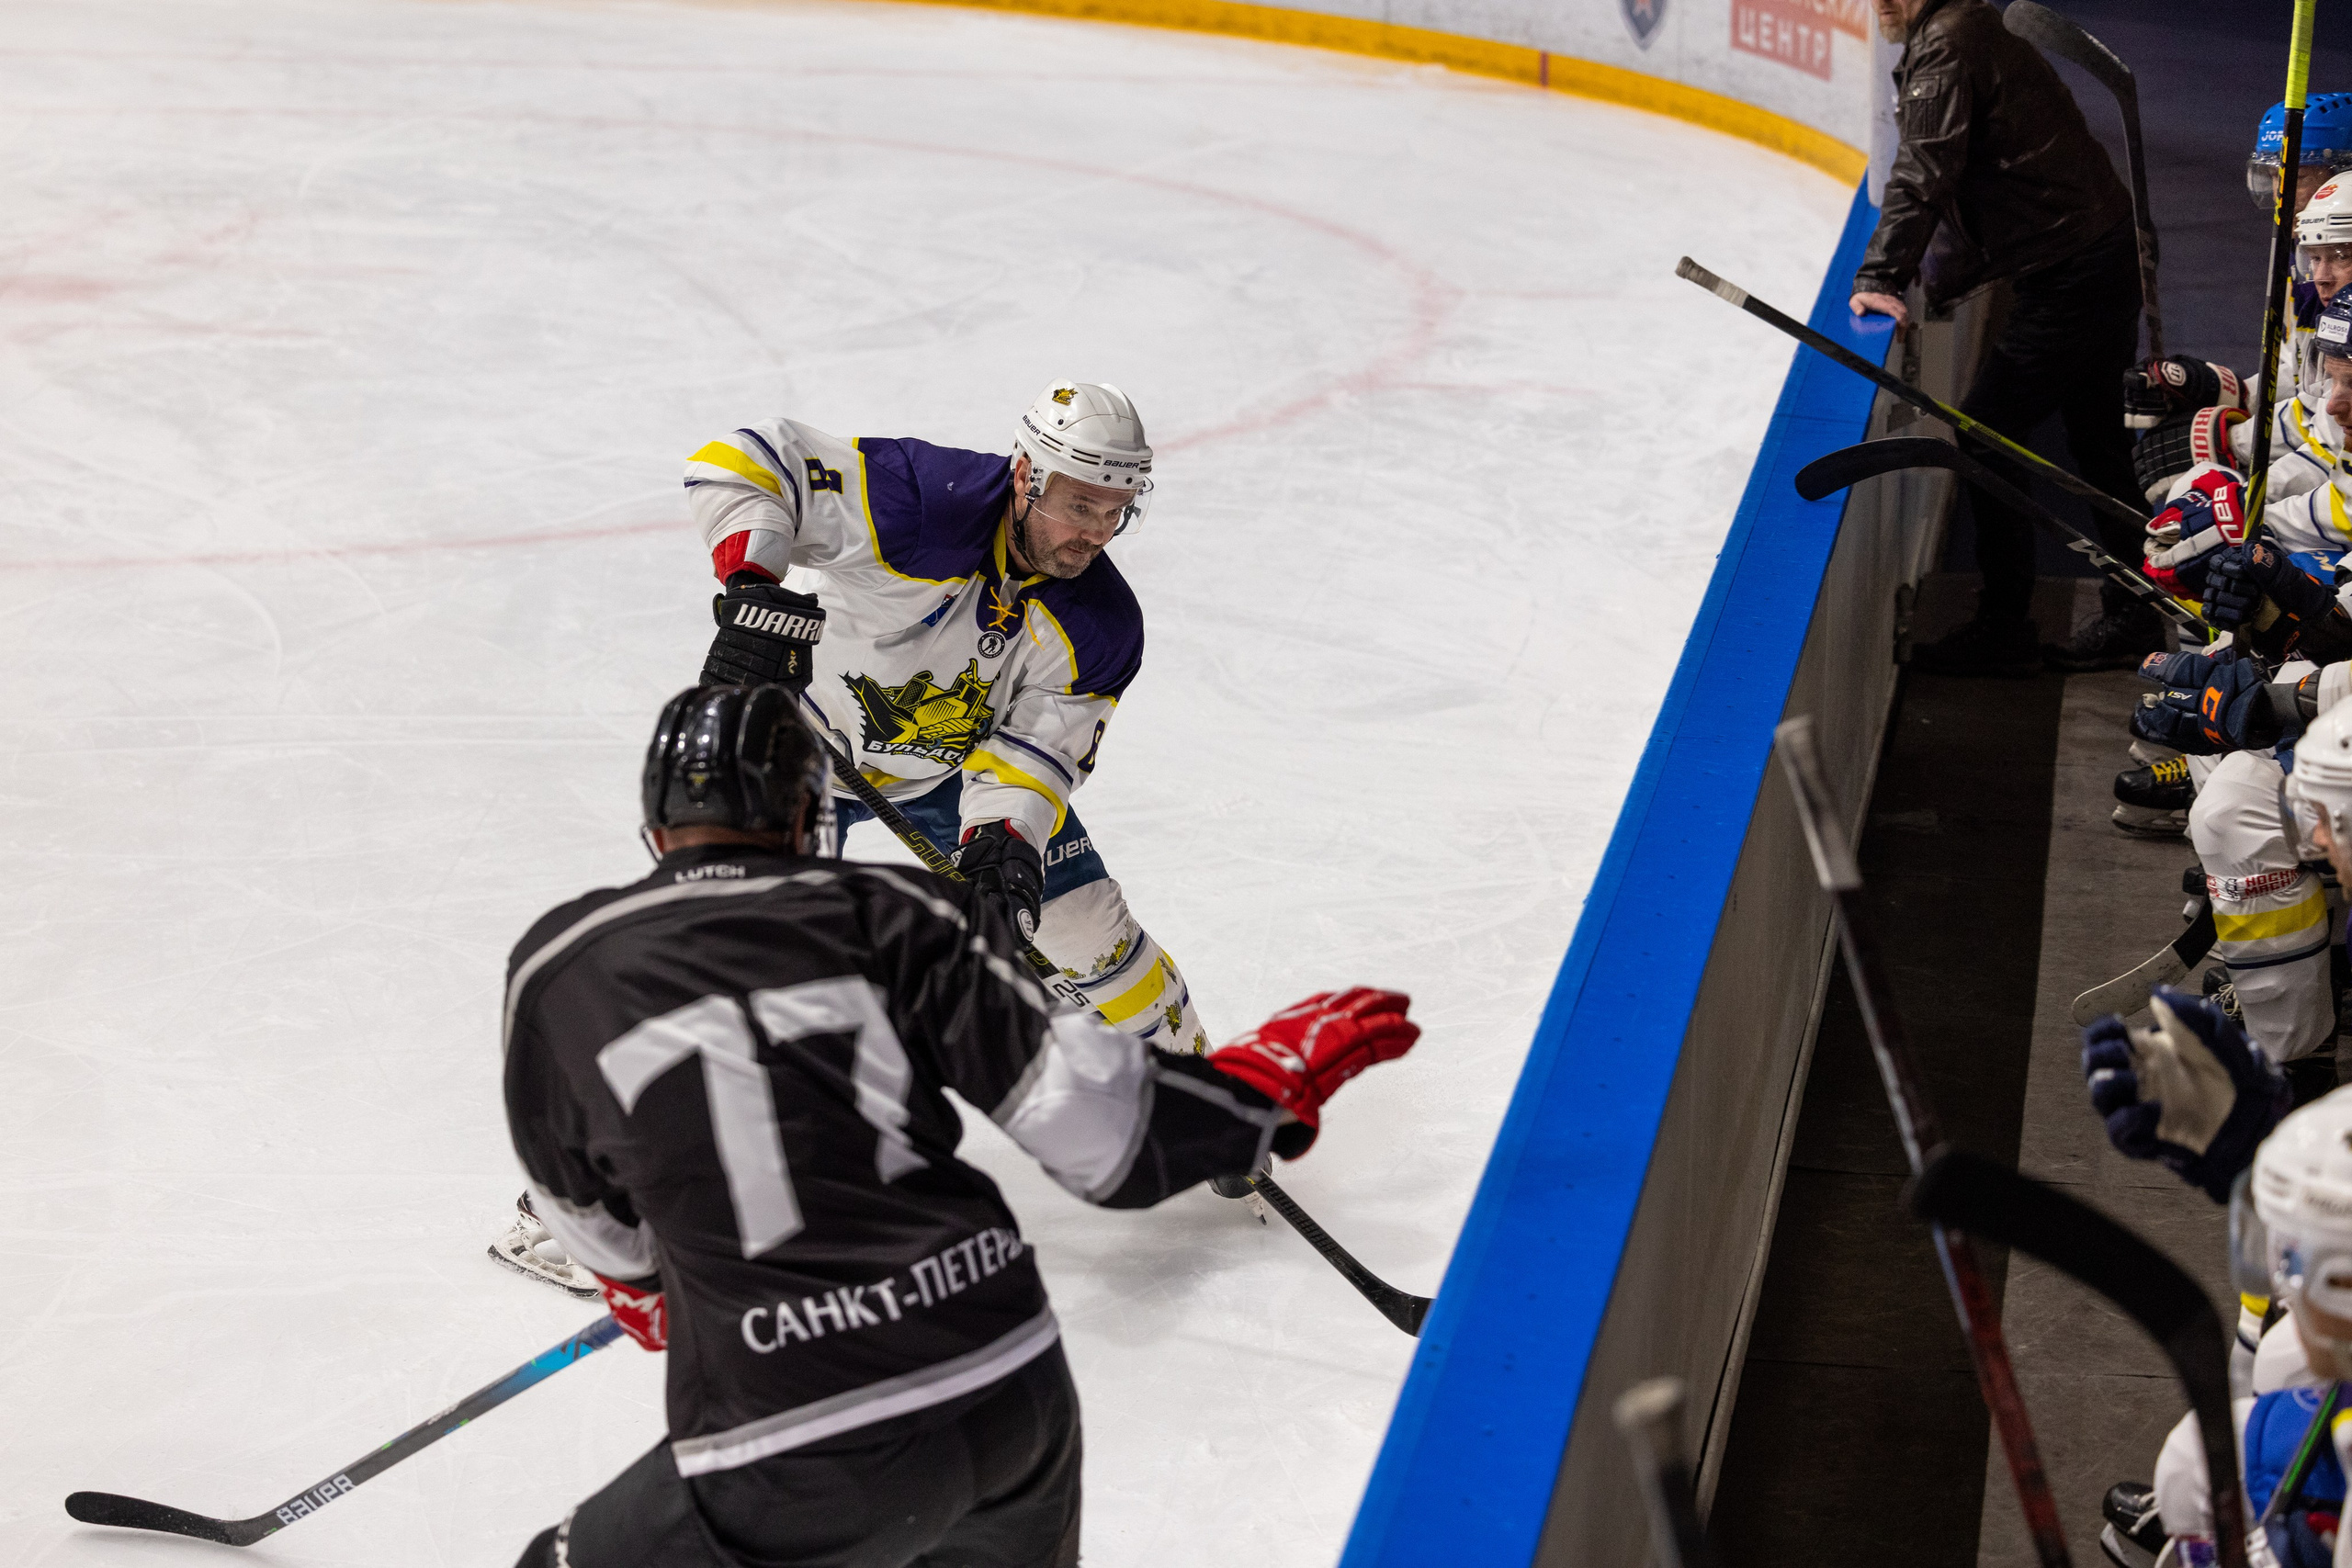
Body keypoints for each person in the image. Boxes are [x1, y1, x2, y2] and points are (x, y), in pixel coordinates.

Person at [503, 684, 1419, 1568]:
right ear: (803, 819)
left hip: (793, 1441)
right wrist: (1254, 1086)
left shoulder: (559, 964)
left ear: (656, 830)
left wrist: (640, 1284)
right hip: (1008, 1393)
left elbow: (579, 1206)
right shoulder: (899, 907)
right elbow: (1111, 1144)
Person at [492, 379, 1219, 1294]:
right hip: (802, 753)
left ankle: (1201, 1093)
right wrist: (751, 586)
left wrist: (1004, 845)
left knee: (1081, 931)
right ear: (1028, 475)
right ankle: (598, 1203)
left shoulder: (1102, 623)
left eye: (1117, 513)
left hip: (945, 776)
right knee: (724, 958)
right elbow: (741, 459)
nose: (1096, 533)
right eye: (1081, 505)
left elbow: (1036, 750)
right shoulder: (922, 498)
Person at [1852, 0, 2145, 676]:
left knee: (1986, 431)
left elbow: (1923, 169)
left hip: (2071, 268)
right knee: (2098, 438)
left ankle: (2006, 622)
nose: (1883, 2)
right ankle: (2135, 604)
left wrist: (1881, 275)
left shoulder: (1950, 41)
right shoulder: (1964, 24)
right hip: (2093, 249)